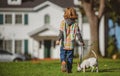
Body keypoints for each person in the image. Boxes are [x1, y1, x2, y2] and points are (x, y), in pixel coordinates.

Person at [56, 7, 84, 73]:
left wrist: (58, 40)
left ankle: (63, 62)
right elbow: (78, 34)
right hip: (71, 45)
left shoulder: (63, 22)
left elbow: (61, 33)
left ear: (65, 14)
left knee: (62, 55)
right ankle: (69, 70)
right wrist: (81, 41)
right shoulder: (76, 24)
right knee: (70, 57)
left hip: (63, 44)